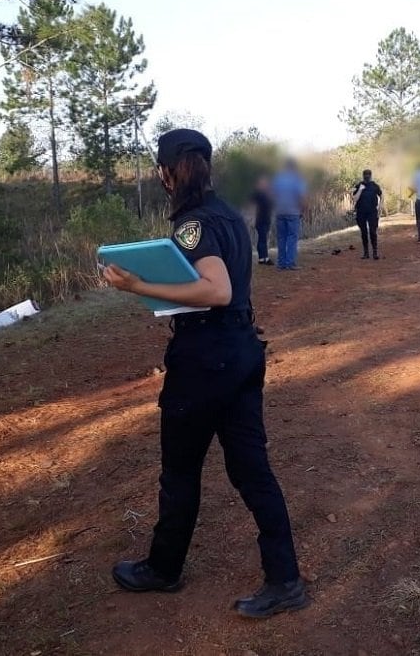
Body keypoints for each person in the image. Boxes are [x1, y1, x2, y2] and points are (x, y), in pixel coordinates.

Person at [103, 129, 307, 619]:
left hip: (204, 359)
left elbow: (215, 290)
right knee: (252, 470)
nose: (160, 176)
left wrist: (138, 285)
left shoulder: (192, 224)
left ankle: (163, 568)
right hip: (239, 351)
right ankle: (284, 579)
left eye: (160, 168)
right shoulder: (227, 216)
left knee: (179, 470)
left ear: (170, 170)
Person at [270, 158, 307, 270]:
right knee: (292, 237)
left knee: (281, 238)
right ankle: (290, 262)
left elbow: (273, 195)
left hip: (280, 211)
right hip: (293, 211)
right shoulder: (297, 179)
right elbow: (302, 196)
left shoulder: (277, 179)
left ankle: (281, 263)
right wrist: (302, 210)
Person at [352, 169, 383, 260]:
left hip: (372, 212)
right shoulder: (359, 186)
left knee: (373, 232)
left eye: (368, 175)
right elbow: (355, 199)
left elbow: (381, 195)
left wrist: (380, 205)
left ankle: (375, 252)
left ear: (371, 176)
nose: (367, 177)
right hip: (361, 212)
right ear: (363, 176)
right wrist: (360, 190)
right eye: (365, 175)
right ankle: (366, 253)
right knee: (364, 232)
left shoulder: (374, 186)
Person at [250, 176, 273, 265]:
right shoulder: (257, 194)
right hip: (260, 219)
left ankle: (262, 257)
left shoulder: (266, 194)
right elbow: (252, 207)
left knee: (263, 238)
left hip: (266, 218)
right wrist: (252, 219)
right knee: (262, 238)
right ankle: (264, 258)